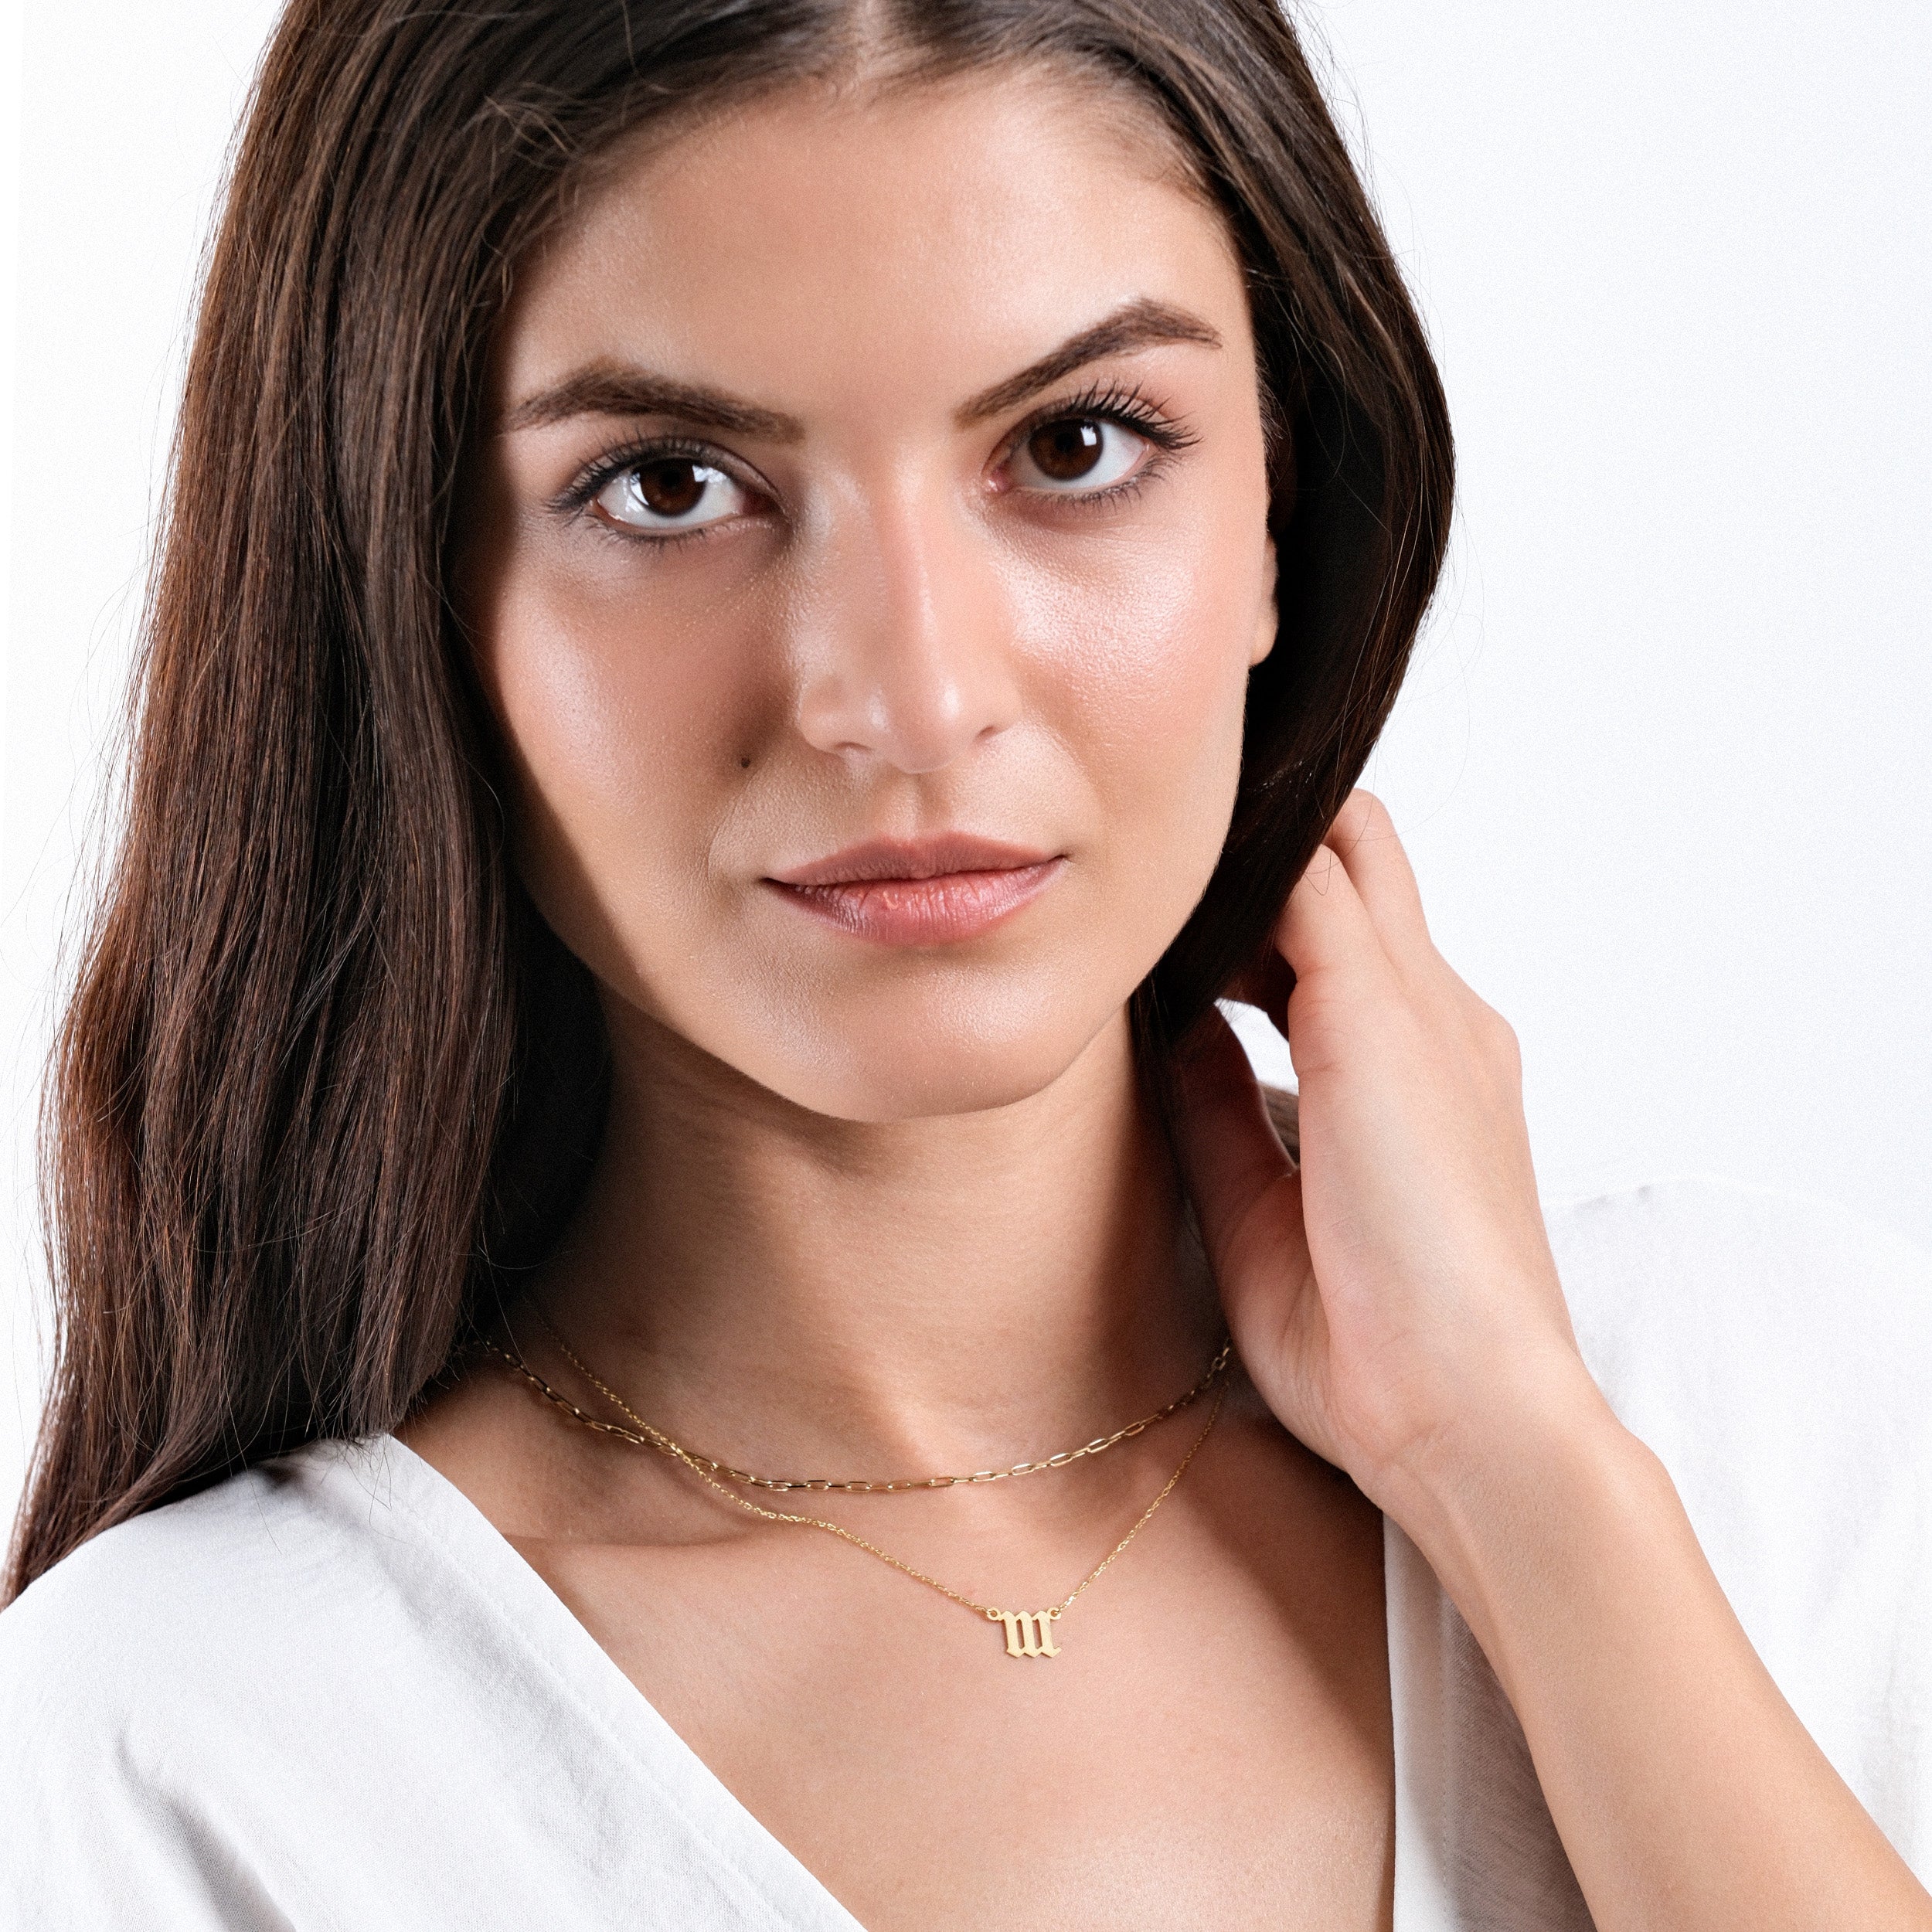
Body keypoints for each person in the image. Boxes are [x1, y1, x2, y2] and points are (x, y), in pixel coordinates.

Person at [2, 1, 1927, 1927]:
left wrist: (1519, 1471)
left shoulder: (1796, 1423)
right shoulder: (182, 1753)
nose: (910, 697)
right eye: (667, 484)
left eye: (1075, 444)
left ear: (1279, 506)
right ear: (411, 593)